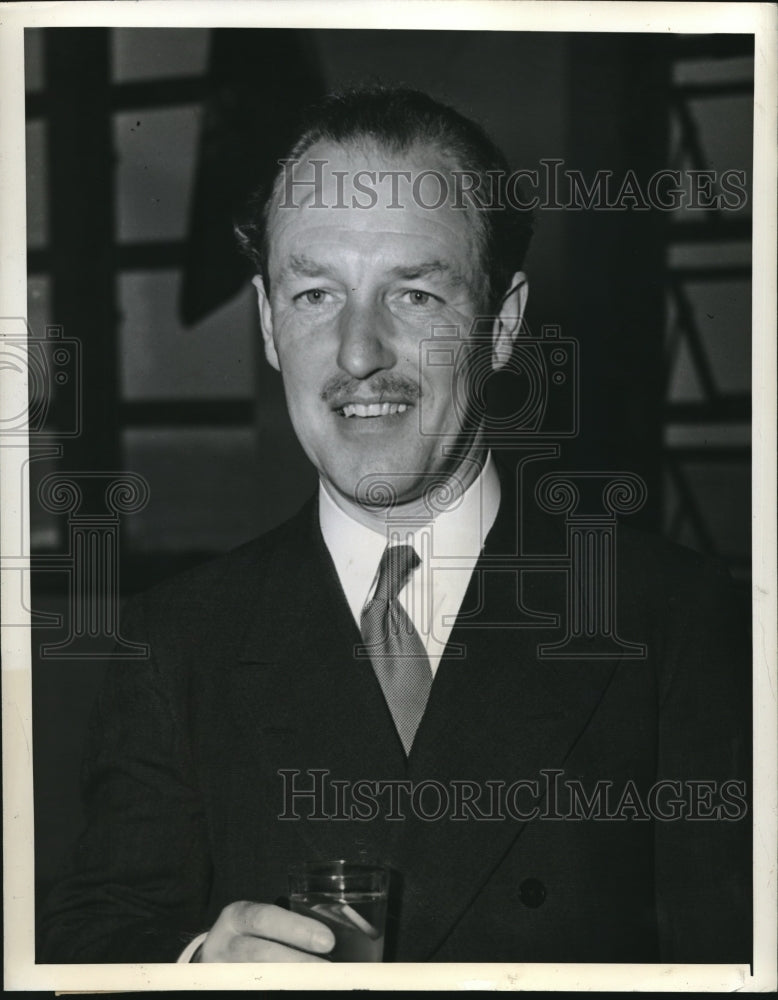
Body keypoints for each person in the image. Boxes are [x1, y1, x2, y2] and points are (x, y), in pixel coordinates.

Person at [38, 86, 751, 965]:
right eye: (314, 296)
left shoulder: (680, 620)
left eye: (413, 295)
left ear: (502, 323)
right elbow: (91, 938)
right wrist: (191, 971)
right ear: (267, 321)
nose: (356, 353)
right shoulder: (172, 639)